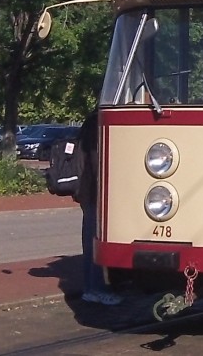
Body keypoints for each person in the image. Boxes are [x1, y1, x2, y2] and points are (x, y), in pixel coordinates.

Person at [75, 112, 122, 306]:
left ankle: (93, 287)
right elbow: (96, 163)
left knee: (90, 240)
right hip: (95, 193)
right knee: (94, 241)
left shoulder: (91, 122)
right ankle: (95, 289)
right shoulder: (99, 124)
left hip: (88, 192)